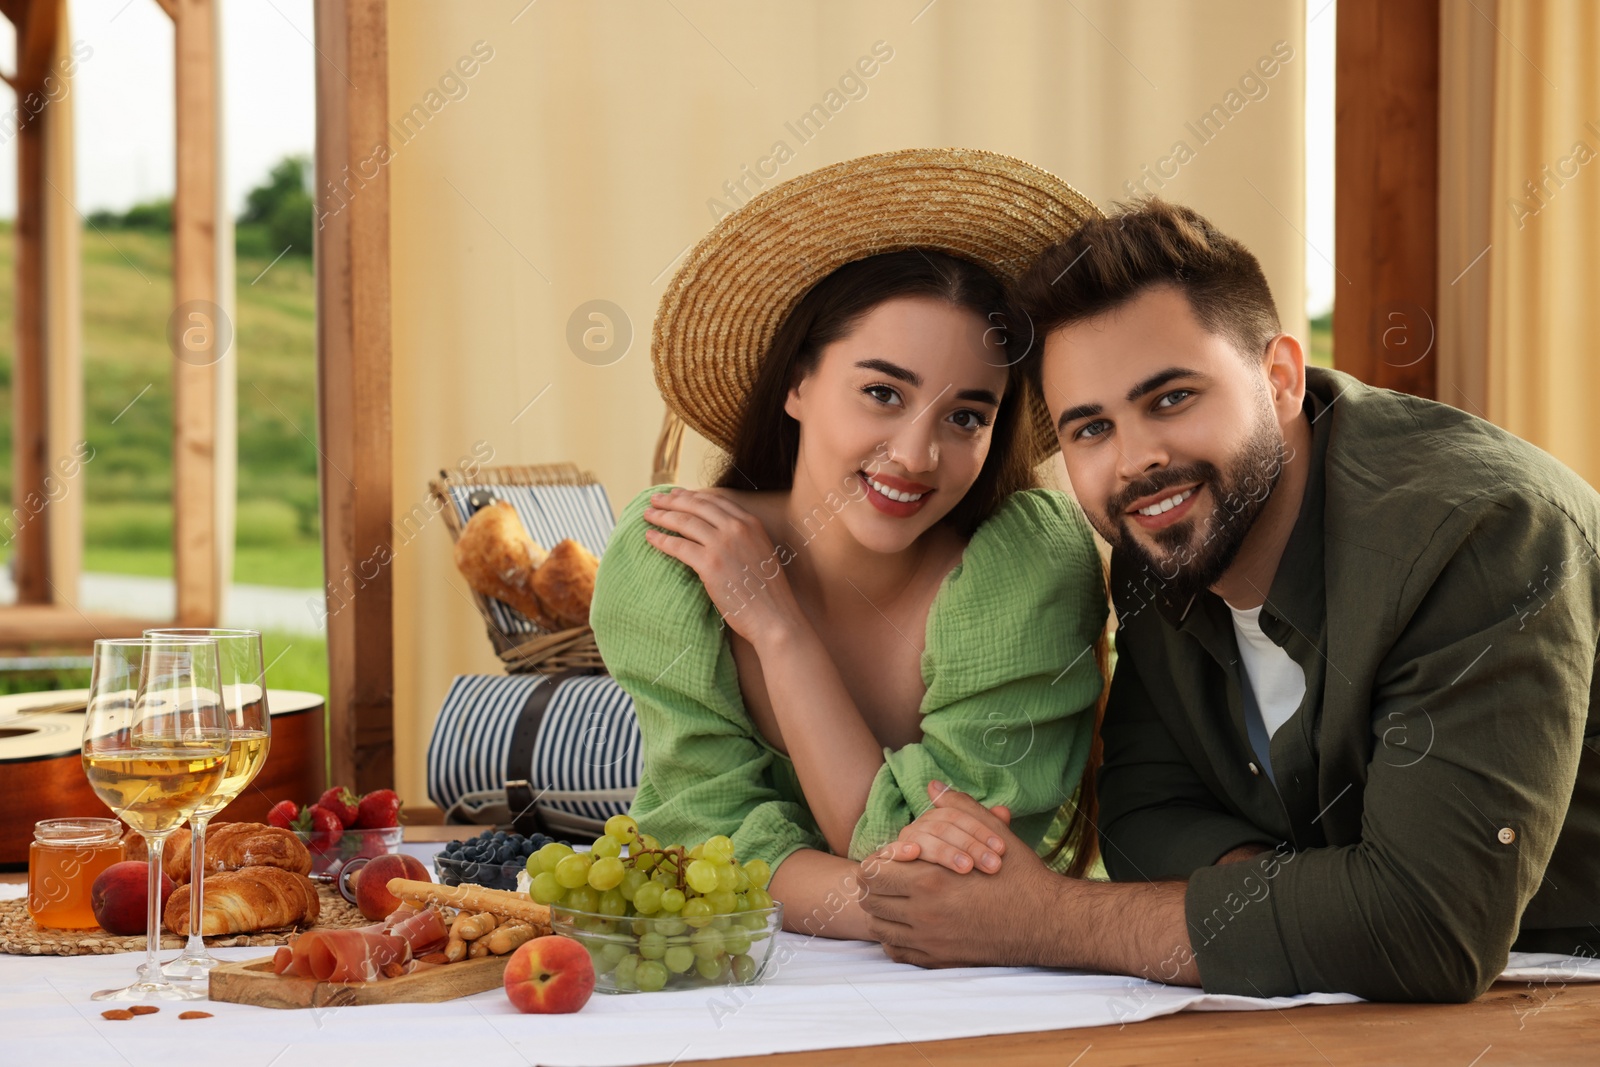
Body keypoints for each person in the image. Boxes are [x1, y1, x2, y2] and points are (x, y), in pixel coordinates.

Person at [859, 198, 1600, 1002]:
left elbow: (1425, 928)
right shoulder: (1163, 538)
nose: (1138, 459)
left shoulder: (1482, 535)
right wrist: (1313, 902)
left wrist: (1041, 918)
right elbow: (1143, 815)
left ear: (1279, 377)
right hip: (1366, 1017)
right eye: (1090, 429)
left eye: (1172, 398)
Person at [590, 148, 1109, 940]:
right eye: (881, 392)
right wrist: (895, 908)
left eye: (967, 414)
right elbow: (703, 837)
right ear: (798, 383)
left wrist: (779, 630)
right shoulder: (672, 561)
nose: (915, 453)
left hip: (1007, 1002)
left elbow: (973, 869)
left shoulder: (1029, 568)